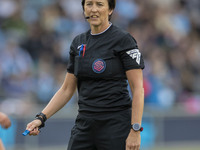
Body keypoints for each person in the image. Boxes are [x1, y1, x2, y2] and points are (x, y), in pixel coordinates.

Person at [25, 0, 145, 150]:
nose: (93, 9)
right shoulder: (78, 43)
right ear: (83, 9)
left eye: (99, 4)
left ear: (110, 10)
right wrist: (41, 118)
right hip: (84, 125)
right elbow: (66, 89)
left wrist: (135, 130)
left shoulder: (123, 40)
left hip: (115, 125)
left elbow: (138, 89)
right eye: (89, 4)